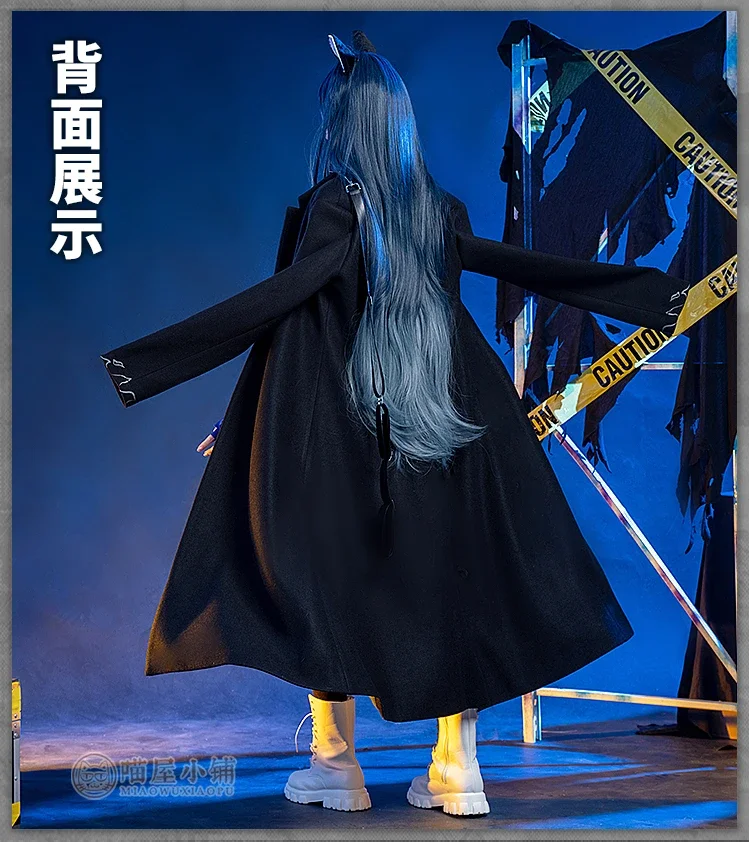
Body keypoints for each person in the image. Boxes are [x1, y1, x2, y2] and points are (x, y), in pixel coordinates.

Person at [100, 31, 689, 817]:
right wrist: (650, 296)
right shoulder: (438, 209)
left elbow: (288, 307)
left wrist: (170, 378)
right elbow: (514, 267)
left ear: (341, 122)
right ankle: (457, 770)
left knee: (322, 579)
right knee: (450, 584)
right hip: (446, 421)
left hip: (344, 430)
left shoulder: (331, 204)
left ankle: (335, 765)